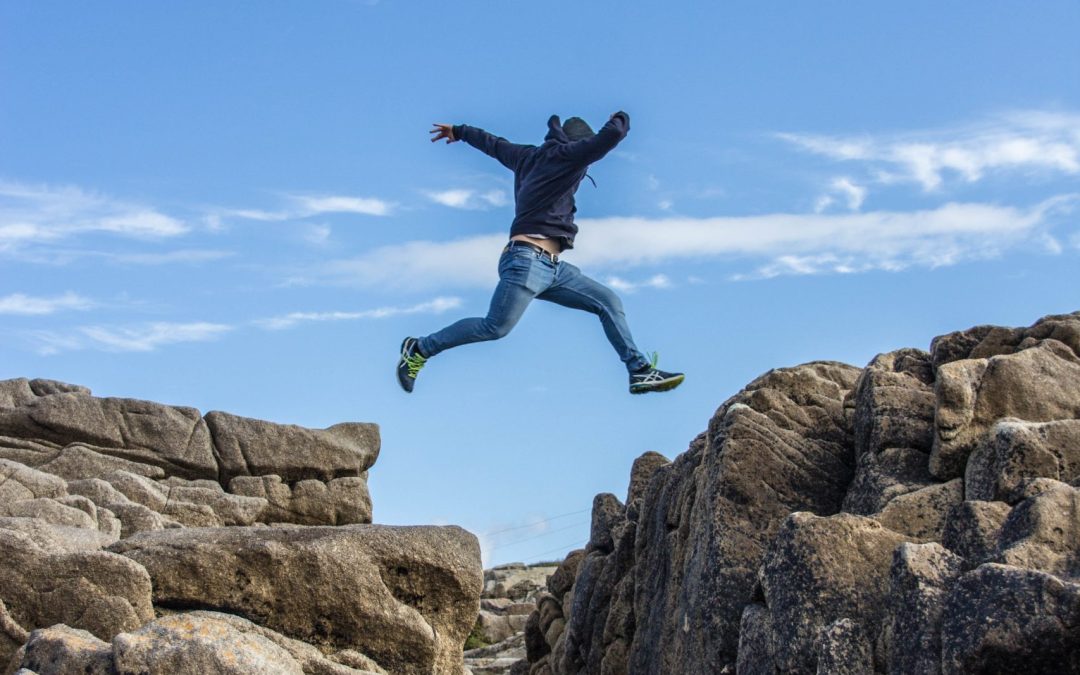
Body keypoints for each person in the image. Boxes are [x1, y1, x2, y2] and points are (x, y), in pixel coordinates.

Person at [397, 111, 684, 395]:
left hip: (553, 268)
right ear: (576, 146)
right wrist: (622, 115)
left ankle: (639, 371)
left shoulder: (527, 156)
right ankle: (421, 347)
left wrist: (459, 130)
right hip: (527, 261)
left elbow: (493, 143)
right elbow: (613, 135)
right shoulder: (568, 156)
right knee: (495, 327)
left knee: (607, 301)